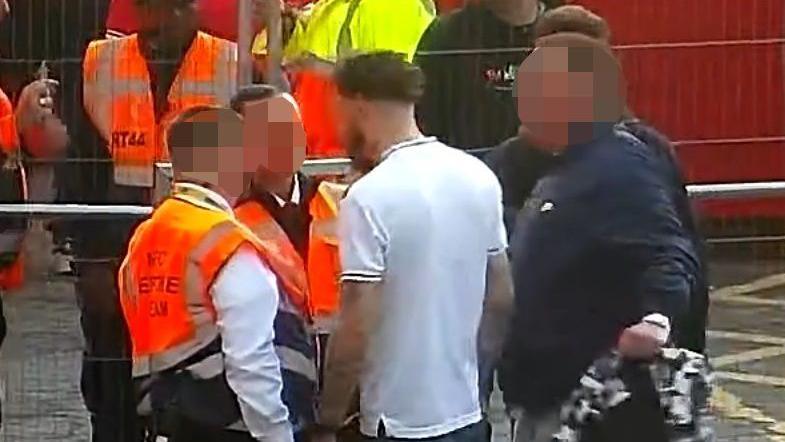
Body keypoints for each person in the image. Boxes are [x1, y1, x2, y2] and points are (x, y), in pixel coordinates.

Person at [499, 33, 700, 442]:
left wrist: (656, 318)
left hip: (586, 406)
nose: (520, 97)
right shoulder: (566, 166)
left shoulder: (619, 167)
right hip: (544, 396)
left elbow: (670, 248)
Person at [312, 52, 515, 442]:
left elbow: (357, 325)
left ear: (356, 105)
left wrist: (328, 418)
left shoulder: (368, 197)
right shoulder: (478, 176)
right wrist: (475, 378)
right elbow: (500, 297)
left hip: (396, 421)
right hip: (466, 414)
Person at [58, 1, 238, 440]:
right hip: (117, 241)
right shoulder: (101, 64)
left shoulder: (231, 66)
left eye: (170, 10)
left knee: (193, 381)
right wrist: (90, 260)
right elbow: (80, 165)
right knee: (111, 374)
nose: (158, 22)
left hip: (195, 252)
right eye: (149, 9)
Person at [487, 4, 709, 353]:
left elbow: (677, 251)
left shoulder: (642, 152)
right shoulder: (511, 159)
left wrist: (670, 331)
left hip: (622, 355)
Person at [118, 105, 294, 442]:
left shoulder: (146, 235)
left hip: (162, 415)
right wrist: (276, 434)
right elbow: (251, 360)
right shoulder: (225, 241)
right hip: (222, 422)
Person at [231, 85, 322, 439]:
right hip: (266, 395)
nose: (287, 139)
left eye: (292, 127)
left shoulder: (339, 203)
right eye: (271, 130)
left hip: (340, 392)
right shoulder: (227, 217)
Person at [279, 0, 435, 157]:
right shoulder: (326, 7)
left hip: (356, 160)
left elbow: (390, 89)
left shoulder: (393, 6)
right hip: (318, 160)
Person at [414, 0, 562, 150]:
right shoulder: (446, 35)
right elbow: (423, 120)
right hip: (469, 165)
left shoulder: (566, 30)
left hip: (554, 165)